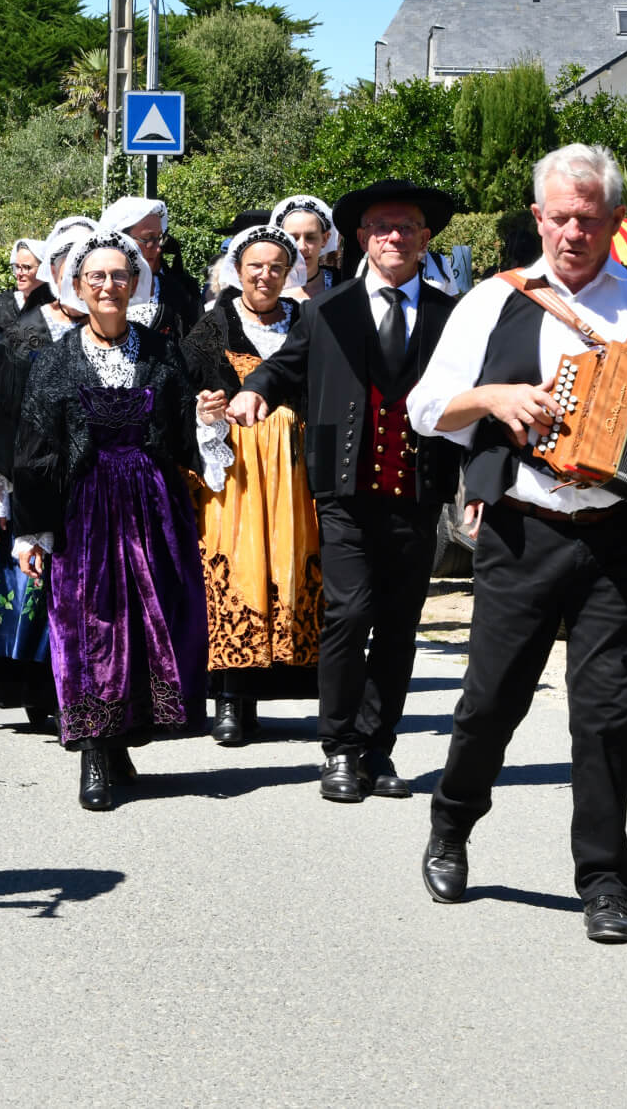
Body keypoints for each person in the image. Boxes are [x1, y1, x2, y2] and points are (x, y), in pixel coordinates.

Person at [408, 144, 627, 944]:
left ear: (615, 223)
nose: (571, 233)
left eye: (588, 219)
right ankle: (451, 823)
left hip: (619, 535)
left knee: (606, 716)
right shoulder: (496, 300)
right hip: (523, 532)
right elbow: (426, 407)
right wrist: (495, 396)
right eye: (558, 217)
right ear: (537, 219)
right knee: (491, 703)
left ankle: (603, 882)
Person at [232, 179, 462, 804]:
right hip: (344, 489)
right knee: (349, 612)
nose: (394, 237)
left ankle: (377, 745)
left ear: (425, 238)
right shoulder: (326, 310)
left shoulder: (451, 316)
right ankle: (338, 748)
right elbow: (286, 364)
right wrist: (257, 388)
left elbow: (479, 399)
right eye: (381, 228)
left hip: (417, 494)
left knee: (397, 624)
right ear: (362, 239)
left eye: (406, 227)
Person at [12, 230, 232, 810]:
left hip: (154, 510)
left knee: (149, 624)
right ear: (77, 287)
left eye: (119, 276)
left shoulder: (162, 352)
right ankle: (93, 753)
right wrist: (32, 533)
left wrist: (208, 420)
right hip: (85, 512)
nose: (108, 286)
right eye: (96, 278)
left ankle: (123, 738)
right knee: (91, 627)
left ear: (135, 284)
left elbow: (185, 437)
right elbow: (36, 450)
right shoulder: (55, 360)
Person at [181, 226, 323, 746]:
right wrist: (206, 415)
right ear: (237, 271)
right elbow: (185, 396)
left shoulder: (308, 323)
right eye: (255, 266)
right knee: (235, 576)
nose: (265, 276)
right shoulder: (209, 330)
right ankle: (231, 704)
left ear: (290, 274)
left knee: (293, 571)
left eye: (276, 267)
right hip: (235, 477)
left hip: (295, 473)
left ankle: (293, 692)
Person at [0, 220, 95, 729]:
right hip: (29, 484)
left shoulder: (115, 331)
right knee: (35, 592)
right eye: (71, 264)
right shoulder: (28, 333)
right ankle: (42, 691)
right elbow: (3, 421)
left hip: (92, 489)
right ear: (56, 271)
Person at [101, 196, 203, 337]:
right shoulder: (95, 292)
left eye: (158, 238)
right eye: (148, 239)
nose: (158, 249)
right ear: (119, 240)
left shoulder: (180, 292)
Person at [273, 195, 342, 302]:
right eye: (293, 238)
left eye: (310, 238)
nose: (302, 247)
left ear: (324, 239)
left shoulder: (342, 285)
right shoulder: (267, 288)